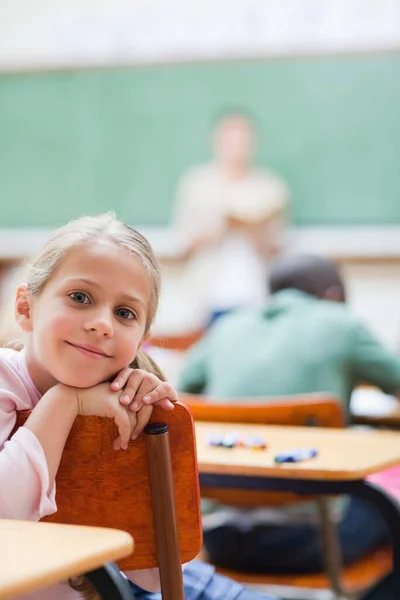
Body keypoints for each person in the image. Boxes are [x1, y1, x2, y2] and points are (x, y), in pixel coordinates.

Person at [0, 213, 275, 600]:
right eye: (80, 297)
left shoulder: (127, 402)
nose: (101, 324)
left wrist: (155, 423)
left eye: (124, 313)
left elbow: (156, 576)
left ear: (141, 338)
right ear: (26, 307)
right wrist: (65, 403)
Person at [178, 254, 399, 575]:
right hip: (315, 538)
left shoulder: (228, 326)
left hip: (216, 536)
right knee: (389, 509)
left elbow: (183, 391)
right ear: (334, 295)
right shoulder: (341, 323)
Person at [172, 111, 290, 324]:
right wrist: (222, 227)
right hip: (207, 296)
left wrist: (251, 226)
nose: (237, 147)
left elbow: (277, 248)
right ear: (216, 141)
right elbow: (183, 245)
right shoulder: (196, 184)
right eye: (230, 140)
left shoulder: (270, 186)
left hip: (255, 294)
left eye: (243, 141)